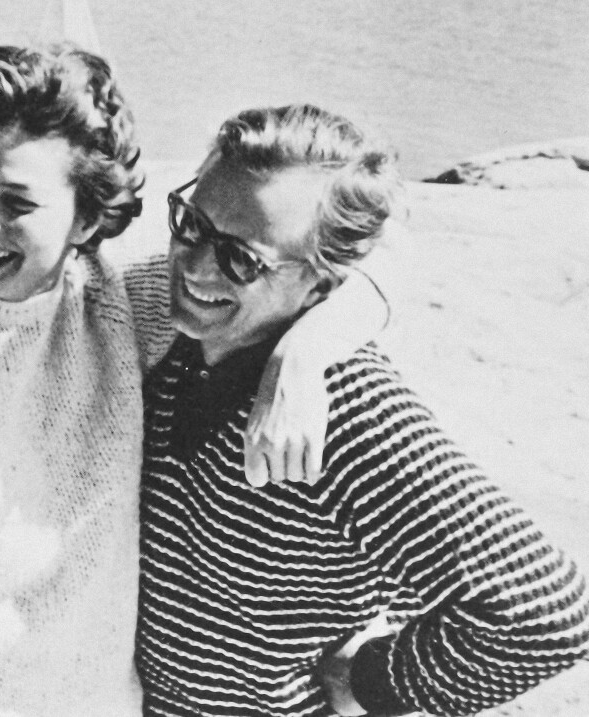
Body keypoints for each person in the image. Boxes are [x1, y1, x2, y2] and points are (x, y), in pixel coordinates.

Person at [0, 47, 386, 716]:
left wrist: (304, 352)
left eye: (16, 203)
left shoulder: (118, 306)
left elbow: (355, 269)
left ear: (87, 221)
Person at [135, 104, 589, 716]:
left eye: (241, 259)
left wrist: (372, 682)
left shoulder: (344, 409)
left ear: (322, 285)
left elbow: (544, 612)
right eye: (190, 223)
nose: (194, 265)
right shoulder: (171, 338)